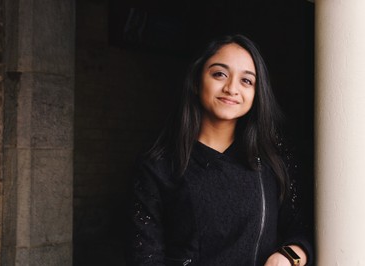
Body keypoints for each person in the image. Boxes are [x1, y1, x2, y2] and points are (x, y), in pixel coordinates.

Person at [125, 34, 313, 266]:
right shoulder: (157, 165)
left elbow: (302, 231)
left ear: (256, 93)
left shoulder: (273, 156)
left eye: (246, 81)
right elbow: (146, 258)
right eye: (219, 74)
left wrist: (287, 257)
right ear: (196, 81)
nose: (231, 88)